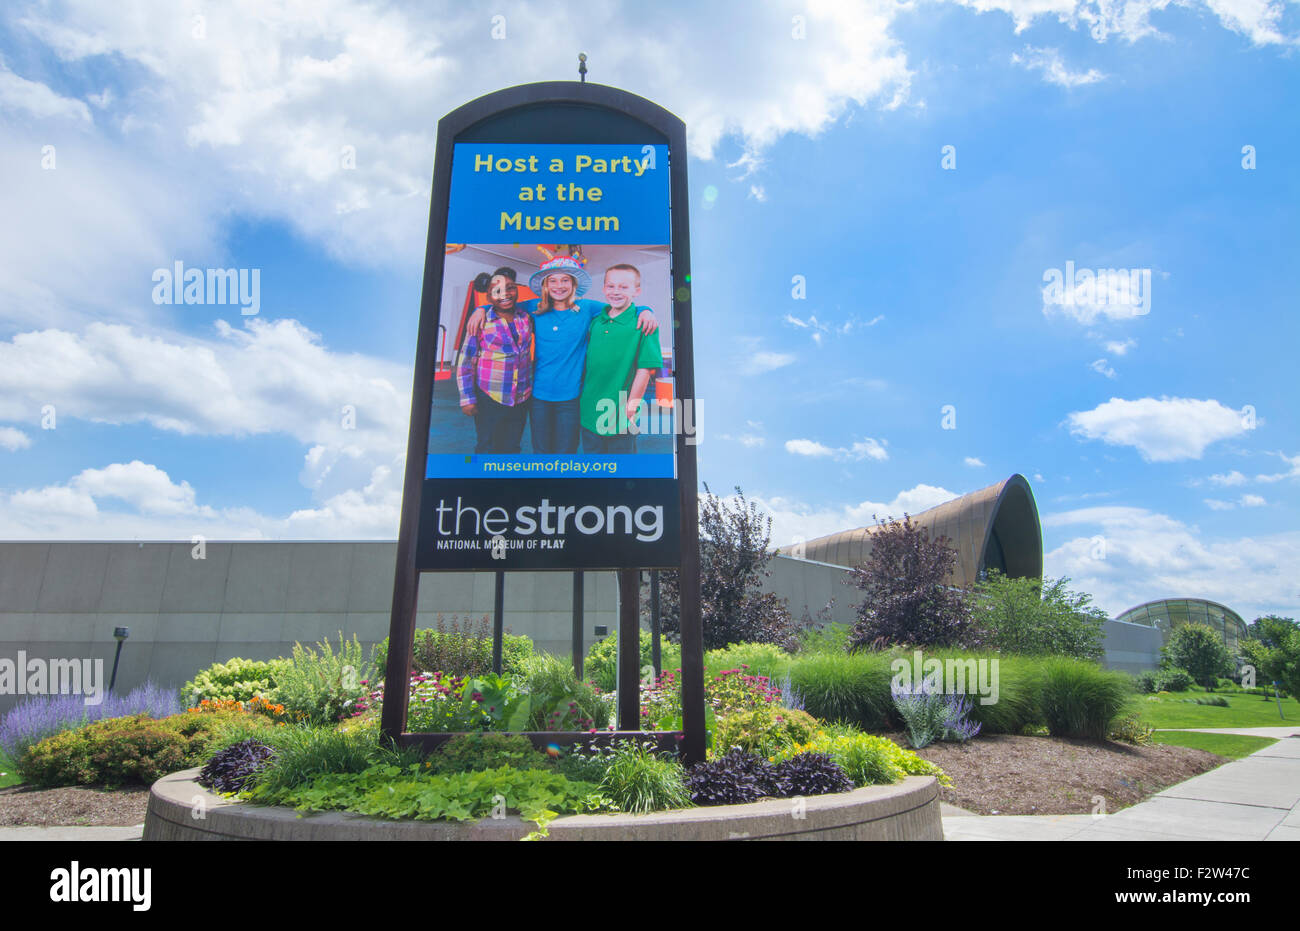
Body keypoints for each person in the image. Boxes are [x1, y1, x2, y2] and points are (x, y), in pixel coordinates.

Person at [465, 254, 657, 453]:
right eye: (553, 281)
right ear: (545, 285)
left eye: (565, 280)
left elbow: (620, 307)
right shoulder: (534, 307)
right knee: (542, 450)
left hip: (572, 398)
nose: (559, 286)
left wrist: (646, 310)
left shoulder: (587, 308)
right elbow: (501, 304)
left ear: (573, 284)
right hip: (538, 396)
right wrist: (480, 308)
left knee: (567, 450)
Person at [580, 263, 664, 453]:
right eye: (611, 286)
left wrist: (632, 407)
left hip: (621, 412)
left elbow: (645, 370)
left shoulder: (645, 324)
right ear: (603, 288)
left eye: (624, 287)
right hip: (589, 409)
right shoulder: (595, 322)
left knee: (622, 470)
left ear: (637, 291)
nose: (616, 291)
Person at [456, 267, 533, 454]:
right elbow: (466, 361)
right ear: (489, 297)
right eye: (496, 291)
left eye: (510, 287)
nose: (504, 294)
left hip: (520, 397)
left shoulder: (526, 317)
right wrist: (467, 398)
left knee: (512, 446)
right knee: (487, 446)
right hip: (490, 396)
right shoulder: (480, 322)